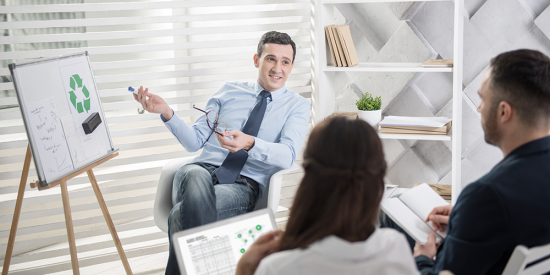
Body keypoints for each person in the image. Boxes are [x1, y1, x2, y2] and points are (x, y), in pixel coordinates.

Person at [133, 31, 311, 275]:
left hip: (242, 186)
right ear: (256, 60)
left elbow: (287, 155)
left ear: (291, 67)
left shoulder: (297, 106)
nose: (277, 68)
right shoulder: (229, 91)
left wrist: (250, 143)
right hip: (200, 170)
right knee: (196, 178)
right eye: (270, 59)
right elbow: (194, 141)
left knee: (178, 216)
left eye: (285, 62)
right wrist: (167, 112)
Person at [413, 49, 550, 274]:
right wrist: (464, 219)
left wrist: (422, 259)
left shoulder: (487, 196)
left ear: (504, 111)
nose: (478, 108)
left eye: (483, 99)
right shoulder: (490, 203)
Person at [235, 116, 420, 275]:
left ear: (309, 181)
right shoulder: (395, 247)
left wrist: (243, 270)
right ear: (377, 183)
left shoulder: (278, 268)